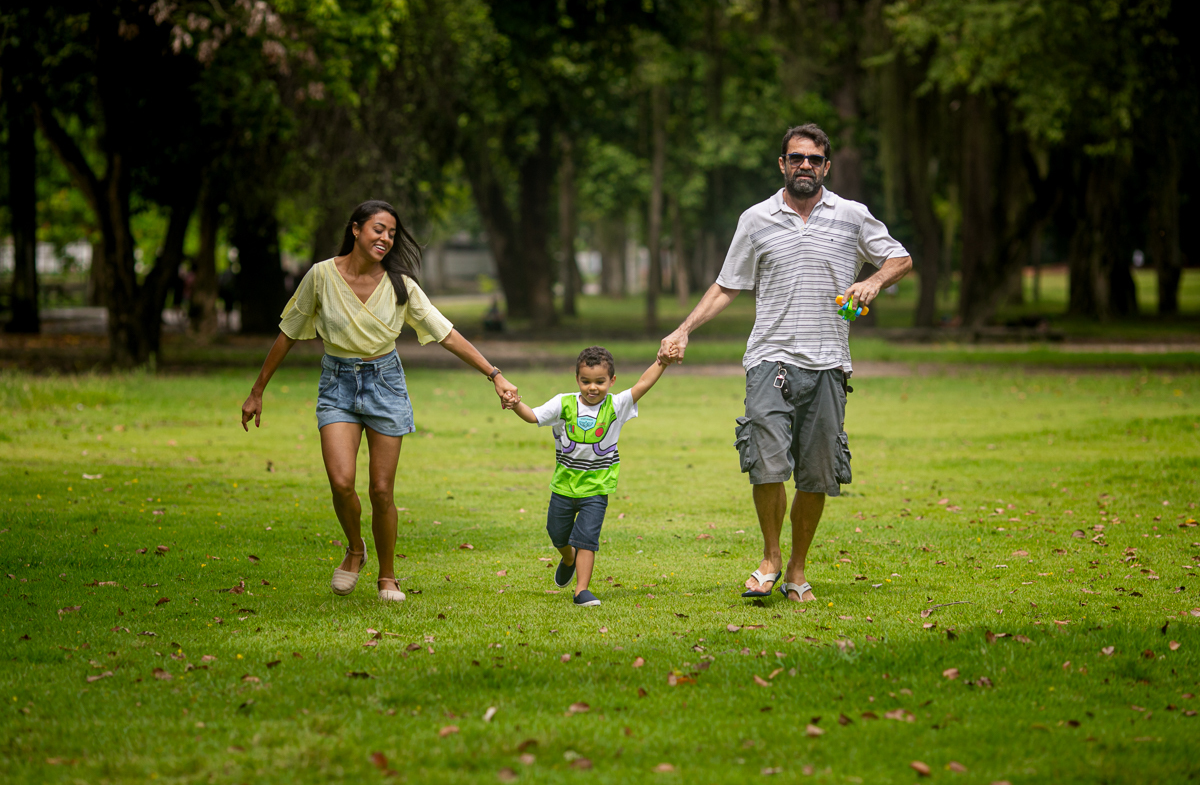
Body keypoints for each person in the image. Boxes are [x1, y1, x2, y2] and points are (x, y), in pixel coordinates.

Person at [658, 124, 912, 602]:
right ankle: (771, 558)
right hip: (768, 359)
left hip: (829, 363)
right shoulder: (756, 219)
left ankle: (797, 568)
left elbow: (900, 258)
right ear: (782, 164)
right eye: (796, 158)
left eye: (814, 159)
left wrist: (873, 282)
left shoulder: (852, 216)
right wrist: (683, 328)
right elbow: (727, 285)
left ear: (826, 167)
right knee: (767, 465)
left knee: (816, 474)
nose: (805, 166)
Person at [240, 200, 518, 603]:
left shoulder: (400, 284)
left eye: (391, 233)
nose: (386, 238)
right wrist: (257, 390)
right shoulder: (321, 276)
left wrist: (494, 374)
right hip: (337, 385)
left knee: (381, 490)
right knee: (341, 482)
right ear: (355, 229)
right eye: (378, 229)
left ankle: (387, 576)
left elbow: (445, 333)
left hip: (385, 384)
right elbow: (288, 333)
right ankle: (355, 549)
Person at [508, 346, 670, 607]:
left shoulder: (616, 405)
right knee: (557, 534)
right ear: (577, 379)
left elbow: (643, 383)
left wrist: (662, 361)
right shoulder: (563, 403)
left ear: (612, 381)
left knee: (586, 540)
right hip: (564, 486)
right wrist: (516, 404)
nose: (592, 388)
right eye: (585, 381)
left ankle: (581, 590)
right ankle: (568, 558)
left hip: (596, 488)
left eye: (599, 382)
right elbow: (532, 416)